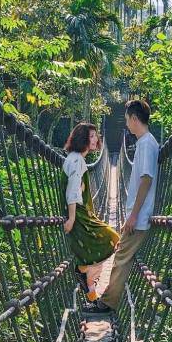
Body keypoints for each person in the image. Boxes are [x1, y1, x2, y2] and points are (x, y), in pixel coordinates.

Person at [88, 99, 159, 313]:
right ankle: (107, 301)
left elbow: (146, 179)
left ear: (134, 118)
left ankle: (106, 303)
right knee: (122, 256)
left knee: (120, 258)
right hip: (138, 215)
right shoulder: (145, 142)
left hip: (139, 217)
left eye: (127, 119)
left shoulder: (146, 143)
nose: (126, 124)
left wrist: (133, 216)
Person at [62, 122, 120, 303]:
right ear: (82, 138)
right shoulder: (76, 160)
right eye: (92, 136)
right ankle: (83, 272)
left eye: (96, 135)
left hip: (82, 213)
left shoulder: (76, 158)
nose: (96, 139)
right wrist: (72, 218)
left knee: (93, 252)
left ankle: (91, 292)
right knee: (113, 239)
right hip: (80, 215)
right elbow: (72, 191)